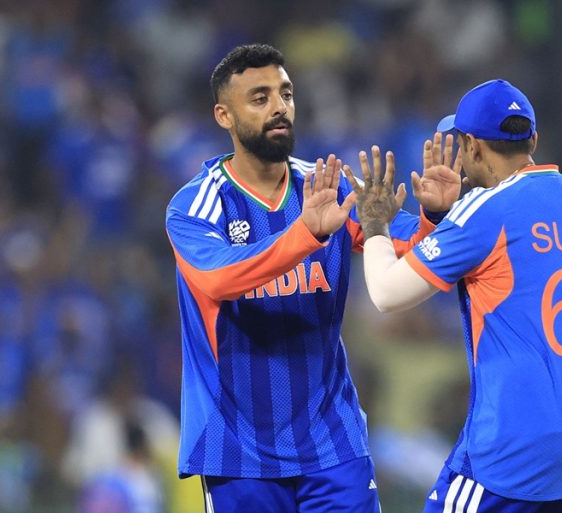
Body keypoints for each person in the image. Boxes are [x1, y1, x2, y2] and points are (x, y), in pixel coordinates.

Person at [164, 43, 461, 513]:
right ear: (224, 115)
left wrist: (434, 217)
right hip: (239, 450)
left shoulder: (328, 186)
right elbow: (219, 279)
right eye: (259, 98)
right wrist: (305, 235)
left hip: (332, 443)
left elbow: (402, 243)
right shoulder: (198, 204)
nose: (279, 107)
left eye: (285, 93)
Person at [344, 79, 562, 513]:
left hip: (514, 447)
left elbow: (386, 293)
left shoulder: (486, 208)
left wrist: (375, 222)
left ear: (471, 146)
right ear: (533, 141)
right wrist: (440, 218)